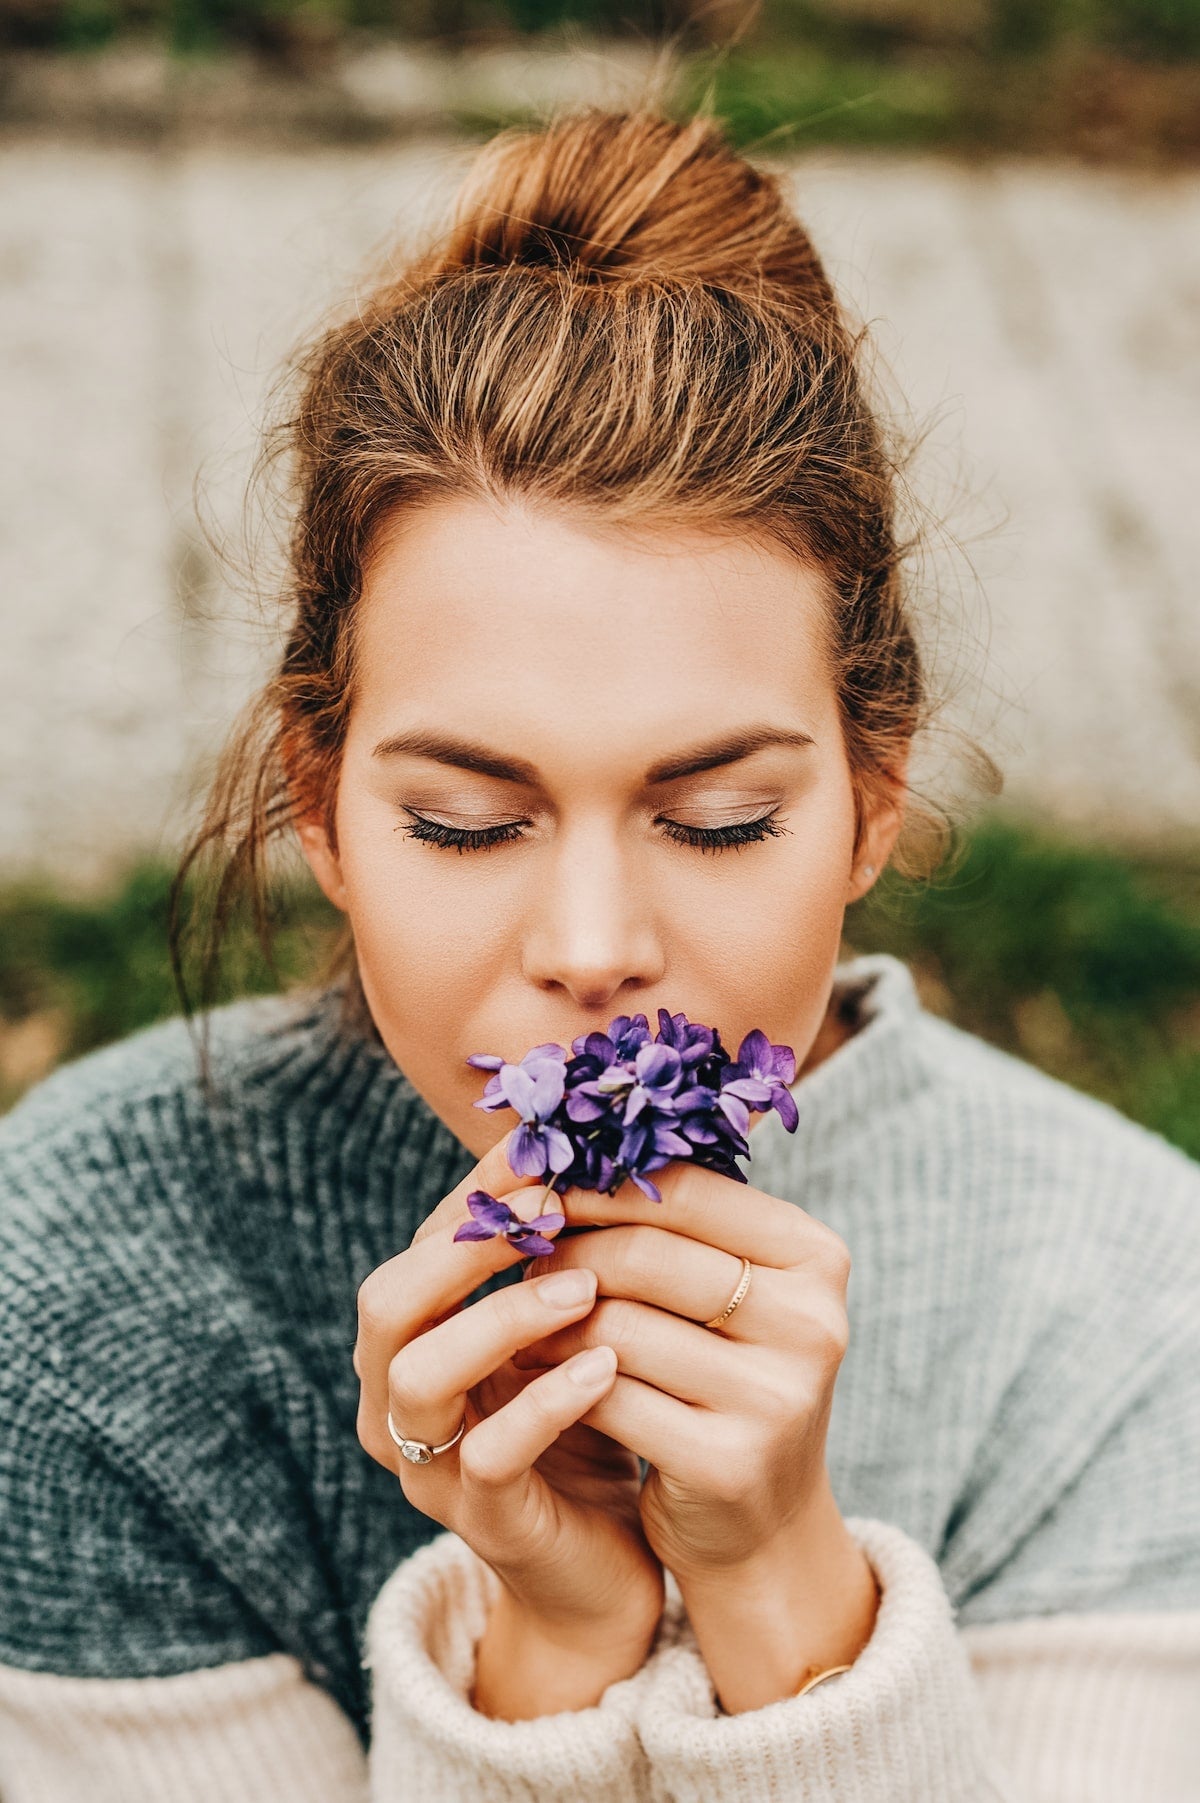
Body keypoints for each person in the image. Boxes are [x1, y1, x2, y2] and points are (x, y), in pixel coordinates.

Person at [0, 105, 1197, 1803]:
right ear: (320, 808)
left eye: (713, 821)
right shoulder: (78, 1298)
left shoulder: (1131, 1312)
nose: (591, 950)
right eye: (468, 824)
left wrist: (788, 1596)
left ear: (871, 803)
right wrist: (545, 1641)